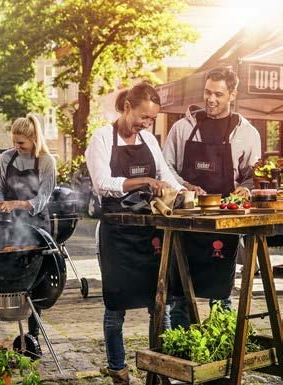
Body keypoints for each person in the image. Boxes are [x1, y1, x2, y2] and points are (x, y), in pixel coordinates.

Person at [85, 82, 184, 385]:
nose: (147, 124)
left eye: (152, 119)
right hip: (116, 234)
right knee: (116, 306)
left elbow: (165, 176)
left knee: (160, 303)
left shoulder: (149, 140)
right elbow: (103, 182)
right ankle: (118, 368)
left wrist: (184, 189)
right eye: (143, 117)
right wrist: (142, 182)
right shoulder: (101, 139)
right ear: (127, 107)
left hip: (148, 235)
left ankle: (161, 368)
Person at [162, 66, 261, 329]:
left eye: (218, 94)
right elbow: (165, 167)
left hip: (224, 223)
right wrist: (183, 184)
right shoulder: (183, 128)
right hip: (187, 221)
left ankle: (223, 350)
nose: (211, 99)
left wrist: (247, 189)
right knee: (181, 294)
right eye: (207, 92)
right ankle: (183, 349)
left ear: (232, 95)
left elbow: (254, 174)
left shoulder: (247, 132)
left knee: (221, 295)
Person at [0, 112, 56, 347]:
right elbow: (0, 190)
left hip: (36, 228)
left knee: (35, 284)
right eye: (14, 142)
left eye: (21, 143)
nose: (17, 147)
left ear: (34, 139)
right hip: (10, 226)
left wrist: (18, 204)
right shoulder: (7, 158)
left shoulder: (46, 161)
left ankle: (33, 338)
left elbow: (43, 199)